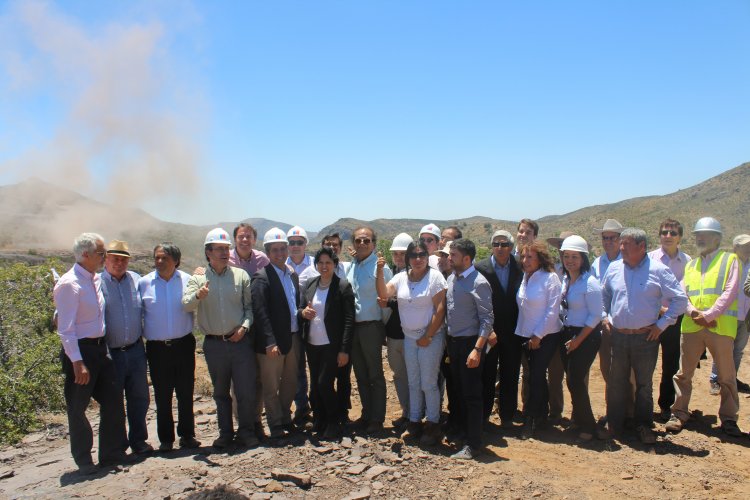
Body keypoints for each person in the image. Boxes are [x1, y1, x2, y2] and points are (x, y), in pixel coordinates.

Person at [601, 228, 687, 444]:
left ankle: (643, 425)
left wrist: (662, 324)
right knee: (616, 382)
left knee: (643, 385)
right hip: (619, 336)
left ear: (641, 247)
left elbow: (680, 299)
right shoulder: (613, 268)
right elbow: (604, 297)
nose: (621, 248)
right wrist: (605, 317)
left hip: (645, 338)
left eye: (626, 244)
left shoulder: (658, 270)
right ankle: (615, 424)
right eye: (621, 244)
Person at [54, 233, 127, 474]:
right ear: (85, 255)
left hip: (100, 349)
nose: (104, 258)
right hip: (81, 352)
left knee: (113, 400)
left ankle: (111, 454)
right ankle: (84, 460)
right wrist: (77, 362)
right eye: (101, 253)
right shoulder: (69, 283)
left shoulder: (94, 279)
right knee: (77, 407)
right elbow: (65, 329)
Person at [666, 218, 743, 437]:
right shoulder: (691, 265)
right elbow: (682, 294)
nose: (701, 238)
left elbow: (730, 291)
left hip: (720, 327)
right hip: (692, 327)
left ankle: (729, 419)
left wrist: (710, 315)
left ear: (717, 238)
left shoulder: (730, 260)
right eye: (698, 234)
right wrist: (692, 312)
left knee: (726, 376)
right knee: (683, 374)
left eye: (706, 234)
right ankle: (679, 413)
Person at [183, 228, 256, 449]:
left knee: (244, 391)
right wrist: (198, 295)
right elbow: (186, 304)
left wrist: (244, 327)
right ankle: (225, 434)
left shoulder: (241, 276)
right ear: (208, 252)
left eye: (226, 249)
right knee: (221, 392)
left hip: (240, 342)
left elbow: (249, 309)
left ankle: (247, 432)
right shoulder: (198, 278)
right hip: (214, 344)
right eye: (219, 249)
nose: (225, 253)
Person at [377, 241, 448, 446]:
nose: (418, 259)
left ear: (427, 257)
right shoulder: (400, 278)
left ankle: (433, 424)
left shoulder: (434, 277)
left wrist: (428, 335)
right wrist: (380, 271)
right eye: (414, 256)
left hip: (430, 338)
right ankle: (415, 422)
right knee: (413, 382)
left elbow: (440, 309)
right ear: (407, 259)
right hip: (409, 337)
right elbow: (383, 295)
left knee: (428, 382)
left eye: (422, 255)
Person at [140, 243, 200, 452]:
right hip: (157, 349)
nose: (159, 262)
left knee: (185, 392)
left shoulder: (187, 281)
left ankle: (187, 435)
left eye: (164, 258)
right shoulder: (144, 283)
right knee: (162, 394)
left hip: (183, 344)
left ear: (176, 260)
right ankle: (166, 439)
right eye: (157, 258)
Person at [100, 240, 151, 455]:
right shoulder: (96, 283)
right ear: (105, 260)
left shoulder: (136, 280)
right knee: (113, 402)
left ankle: (138, 441)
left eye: (123, 259)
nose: (119, 263)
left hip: (136, 349)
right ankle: (116, 448)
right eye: (115, 259)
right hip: (110, 353)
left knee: (139, 398)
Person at [445, 239, 494, 460]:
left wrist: (477, 349)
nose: (449, 258)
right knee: (458, 391)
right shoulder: (452, 278)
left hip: (470, 344)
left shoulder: (479, 282)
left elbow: (486, 319)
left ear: (466, 258)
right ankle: (463, 433)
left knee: (473, 395)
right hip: (454, 343)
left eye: (453, 255)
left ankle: (474, 444)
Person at [299, 247, 355, 440]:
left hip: (332, 344)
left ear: (335, 265)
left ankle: (333, 421)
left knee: (324, 383)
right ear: (316, 265)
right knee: (315, 385)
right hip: (313, 344)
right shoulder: (311, 284)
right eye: (321, 263)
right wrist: (302, 313)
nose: (324, 266)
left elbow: (349, 320)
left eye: (328, 263)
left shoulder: (342, 286)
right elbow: (301, 308)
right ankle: (320, 418)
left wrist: (344, 350)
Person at [252, 227, 301, 439]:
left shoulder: (292, 275)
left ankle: (284, 417)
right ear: (268, 253)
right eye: (275, 250)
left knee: (290, 383)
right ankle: (275, 423)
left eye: (283, 248)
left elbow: (293, 306)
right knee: (271, 385)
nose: (280, 253)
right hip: (273, 342)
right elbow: (260, 313)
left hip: (292, 337)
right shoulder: (261, 278)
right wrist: (269, 342)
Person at [558, 236, 605, 441]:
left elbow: (596, 315)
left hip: (586, 335)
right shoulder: (566, 280)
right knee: (572, 380)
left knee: (576, 379)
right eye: (566, 256)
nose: (570, 260)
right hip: (567, 332)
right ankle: (578, 421)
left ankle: (588, 426)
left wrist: (578, 339)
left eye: (574, 257)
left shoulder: (590, 283)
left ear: (583, 258)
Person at [515, 241, 563, 440]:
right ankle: (541, 415)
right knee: (534, 376)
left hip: (546, 335)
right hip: (526, 334)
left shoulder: (550, 278)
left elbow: (552, 311)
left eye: (530, 257)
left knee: (535, 376)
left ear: (540, 259)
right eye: (523, 257)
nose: (525, 261)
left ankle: (532, 419)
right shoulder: (525, 277)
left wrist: (538, 336)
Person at [346, 226, 393, 434]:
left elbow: (387, 299)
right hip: (353, 328)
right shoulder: (352, 266)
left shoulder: (380, 267)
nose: (362, 244)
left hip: (372, 326)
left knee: (375, 374)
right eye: (358, 240)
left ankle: (377, 418)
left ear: (373, 243)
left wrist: (382, 328)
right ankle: (366, 414)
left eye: (366, 240)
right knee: (361, 374)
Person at [475, 230, 523, 428]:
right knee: (486, 375)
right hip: (489, 332)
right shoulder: (480, 268)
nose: (500, 248)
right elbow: (476, 302)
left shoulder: (521, 267)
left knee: (510, 375)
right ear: (491, 246)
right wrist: (487, 330)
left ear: (511, 247)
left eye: (504, 244)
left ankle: (507, 417)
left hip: (514, 331)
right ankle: (484, 416)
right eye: (496, 244)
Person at [647, 219, 691, 419]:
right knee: (646, 363)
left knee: (671, 364)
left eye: (673, 233)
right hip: (651, 318)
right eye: (664, 232)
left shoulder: (688, 261)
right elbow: (645, 290)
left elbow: (688, 291)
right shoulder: (649, 259)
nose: (668, 236)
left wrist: (670, 310)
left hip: (674, 319)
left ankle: (665, 405)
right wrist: (660, 308)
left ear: (680, 237)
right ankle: (644, 406)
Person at [709, 234, 750, 394]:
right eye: (745, 246)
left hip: (746, 317)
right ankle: (715, 379)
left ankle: (731, 378)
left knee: (738, 350)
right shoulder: (727, 264)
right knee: (723, 348)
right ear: (735, 248)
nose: (748, 249)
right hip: (727, 315)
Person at [383, 232, 413, 429]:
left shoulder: (419, 275)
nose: (399, 257)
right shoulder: (392, 274)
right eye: (396, 254)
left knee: (414, 377)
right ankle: (407, 412)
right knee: (400, 376)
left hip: (412, 336)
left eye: (403, 254)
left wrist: (391, 301)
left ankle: (416, 415)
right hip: (394, 335)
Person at [286, 225, 313, 425]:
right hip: (289, 325)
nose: (295, 246)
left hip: (312, 324)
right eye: (291, 243)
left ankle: (311, 407)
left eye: (299, 242)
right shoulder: (279, 263)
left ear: (306, 244)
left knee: (312, 367)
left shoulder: (315, 264)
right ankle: (295, 408)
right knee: (293, 369)